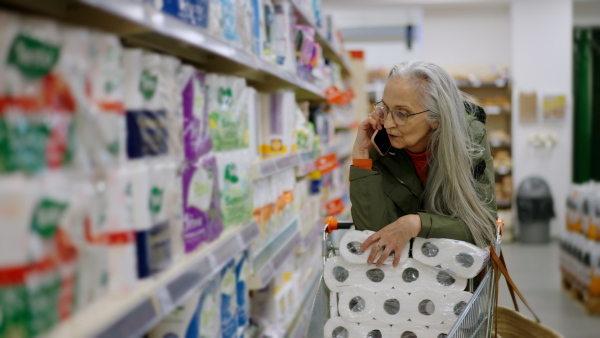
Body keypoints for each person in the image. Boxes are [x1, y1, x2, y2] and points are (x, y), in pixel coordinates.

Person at [350, 60, 497, 268]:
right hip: (403, 277)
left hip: (458, 272)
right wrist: (362, 157)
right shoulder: (382, 144)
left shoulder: (469, 142)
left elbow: (483, 227)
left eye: (402, 113)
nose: (389, 123)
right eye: (385, 108)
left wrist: (417, 223)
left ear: (436, 117)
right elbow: (373, 236)